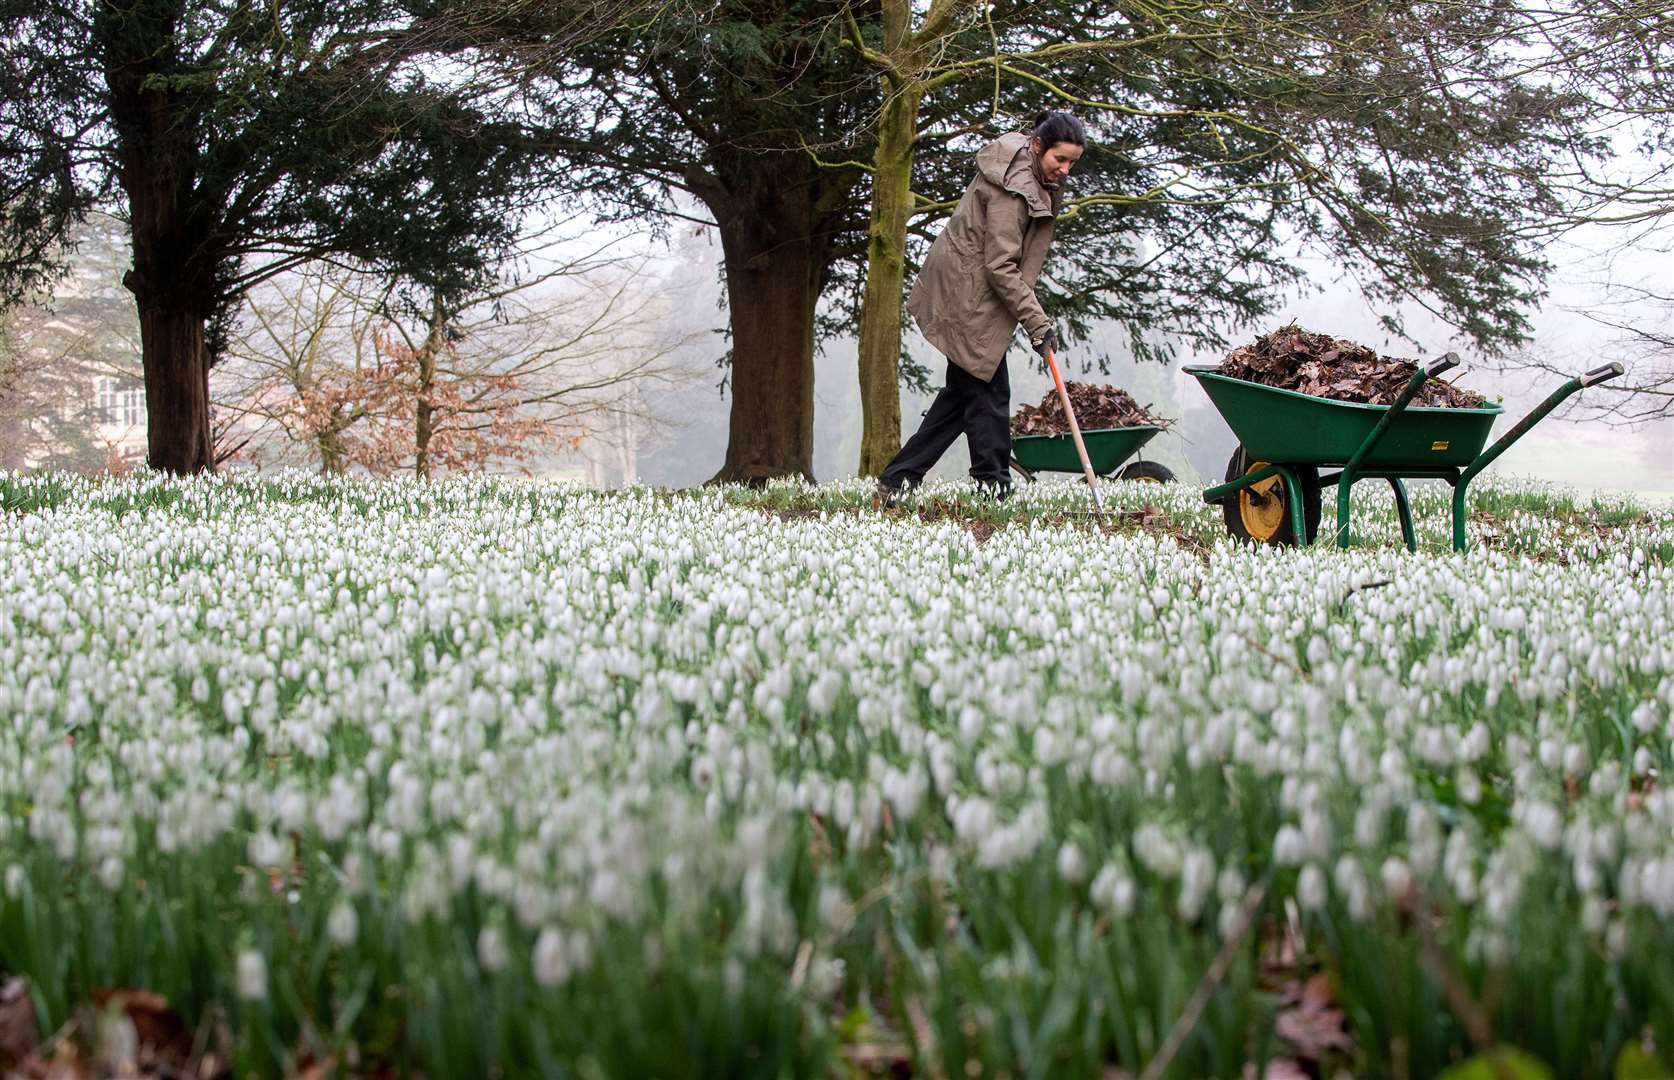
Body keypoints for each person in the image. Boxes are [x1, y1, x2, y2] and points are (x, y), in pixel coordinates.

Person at [875, 110, 1084, 504]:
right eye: (1061, 159)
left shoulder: (1035, 175)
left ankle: (898, 480)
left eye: (1073, 161)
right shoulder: (1013, 188)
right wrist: (1037, 322)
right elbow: (1000, 266)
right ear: (1038, 146)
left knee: (962, 397)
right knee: (989, 392)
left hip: (978, 294)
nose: (1067, 169)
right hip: (967, 296)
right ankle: (992, 488)